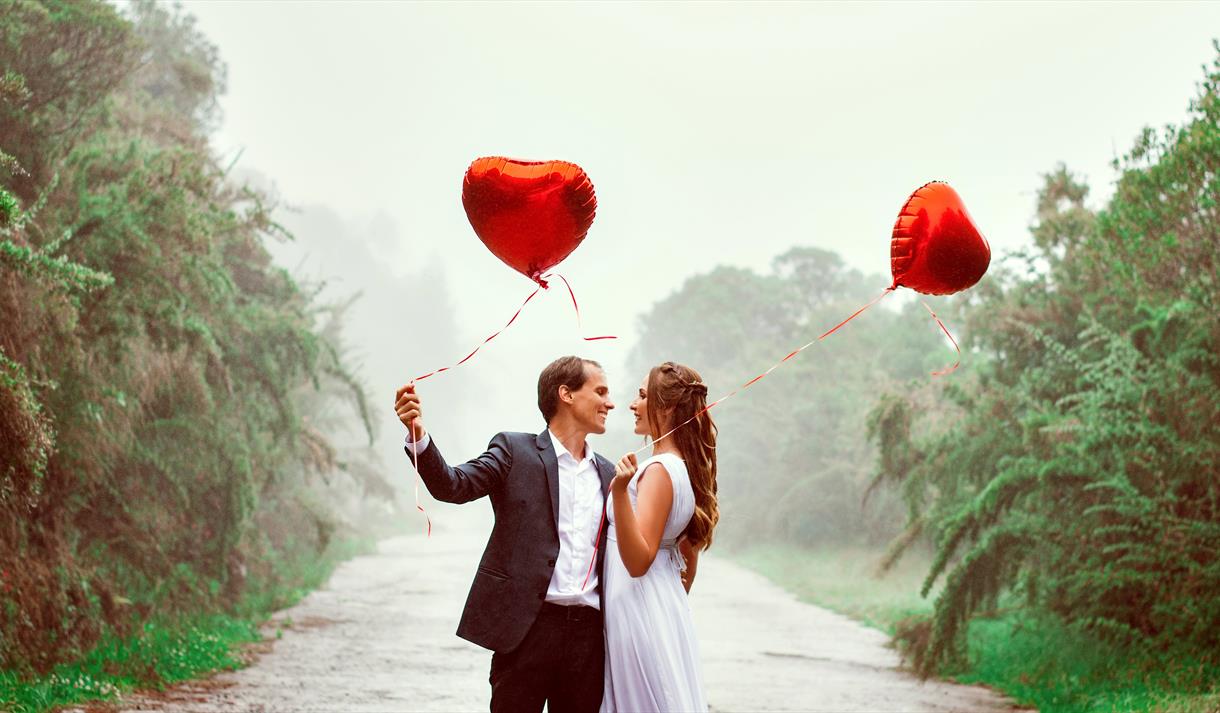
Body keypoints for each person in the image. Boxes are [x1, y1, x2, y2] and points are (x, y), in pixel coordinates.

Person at [393, 356, 615, 713]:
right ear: (566, 395)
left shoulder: (609, 473)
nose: (610, 402)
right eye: (600, 391)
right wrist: (418, 435)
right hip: (526, 632)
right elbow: (453, 486)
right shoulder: (515, 451)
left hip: (589, 640)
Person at [601, 361, 718, 712]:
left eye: (641, 396)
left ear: (665, 407)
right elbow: (688, 560)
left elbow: (638, 561)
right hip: (659, 604)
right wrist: (662, 603)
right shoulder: (683, 468)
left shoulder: (657, 472)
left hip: (636, 607)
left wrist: (620, 491)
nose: (632, 405)